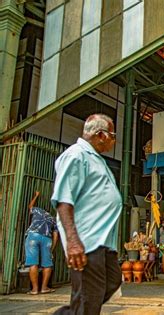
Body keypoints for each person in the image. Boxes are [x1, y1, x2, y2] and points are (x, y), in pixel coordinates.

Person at [51, 114, 122, 315]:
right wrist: (73, 241)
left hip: (102, 242)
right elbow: (64, 200)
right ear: (101, 135)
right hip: (86, 241)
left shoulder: (95, 158)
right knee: (88, 298)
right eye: (113, 135)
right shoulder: (76, 156)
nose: (114, 140)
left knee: (111, 281)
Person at [24, 191, 59, 295]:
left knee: (33, 263)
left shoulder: (38, 210)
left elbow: (30, 206)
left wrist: (36, 195)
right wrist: (52, 249)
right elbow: (56, 236)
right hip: (47, 239)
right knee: (47, 264)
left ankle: (34, 290)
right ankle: (44, 288)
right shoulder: (53, 219)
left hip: (33, 236)